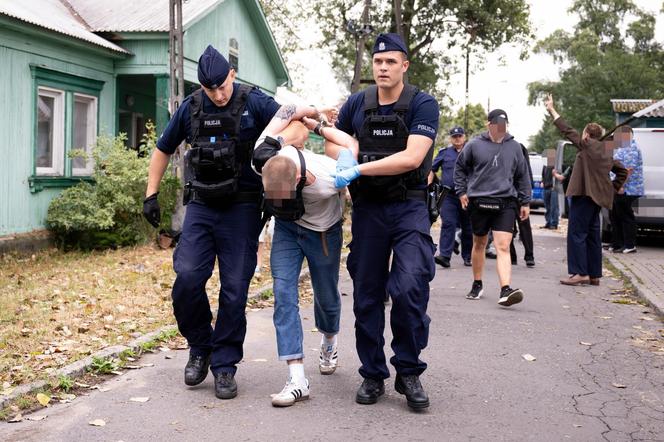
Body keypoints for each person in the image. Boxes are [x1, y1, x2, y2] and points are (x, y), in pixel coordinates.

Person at [142, 45, 321, 400]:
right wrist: (151, 194)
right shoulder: (191, 107)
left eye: (223, 86)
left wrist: (274, 142)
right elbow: (163, 148)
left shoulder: (255, 102)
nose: (219, 95)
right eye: (212, 90)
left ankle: (224, 365)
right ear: (202, 87)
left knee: (235, 290)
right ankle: (199, 347)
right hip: (202, 207)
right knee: (188, 278)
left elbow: (299, 128)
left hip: (241, 208)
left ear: (232, 76)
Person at [328, 33, 440, 410]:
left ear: (404, 66)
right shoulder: (357, 104)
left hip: (408, 206)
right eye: (378, 62)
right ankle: (373, 374)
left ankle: (409, 371)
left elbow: (412, 158)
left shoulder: (422, 104)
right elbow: (335, 139)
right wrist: (345, 152)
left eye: (390, 62)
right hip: (369, 210)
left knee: (409, 288)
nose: (382, 68)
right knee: (367, 295)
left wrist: (357, 166)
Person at [254, 121, 345, 407]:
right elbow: (288, 120)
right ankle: (297, 379)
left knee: (327, 296)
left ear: (298, 182)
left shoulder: (329, 180)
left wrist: (324, 127)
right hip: (287, 230)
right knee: (283, 294)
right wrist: (305, 116)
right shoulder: (263, 160)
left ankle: (329, 341)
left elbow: (350, 151)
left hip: (323, 233)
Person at [544, 94, 628, 286]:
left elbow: (566, 129)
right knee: (592, 236)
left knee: (577, 234)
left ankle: (579, 272)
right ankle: (594, 274)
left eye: (583, 134)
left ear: (587, 135)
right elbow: (622, 171)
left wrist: (552, 109)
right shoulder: (607, 152)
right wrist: (611, 189)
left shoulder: (587, 145)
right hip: (598, 200)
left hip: (583, 196)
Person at [454, 109, 531, 306]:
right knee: (479, 243)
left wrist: (525, 202)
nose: (501, 129)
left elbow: (522, 175)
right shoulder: (474, 145)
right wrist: (462, 192)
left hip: (506, 202)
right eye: (497, 125)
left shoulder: (515, 147)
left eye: (504, 126)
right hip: (479, 201)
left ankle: (506, 290)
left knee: (503, 245)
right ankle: (477, 283)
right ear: (489, 124)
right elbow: (460, 168)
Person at [430, 126, 472, 268]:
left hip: (467, 196)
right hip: (448, 196)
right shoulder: (444, 153)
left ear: (464, 137)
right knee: (448, 224)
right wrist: (433, 184)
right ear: (451, 138)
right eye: (454, 137)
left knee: (468, 226)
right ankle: (445, 256)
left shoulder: (471, 151)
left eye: (459, 136)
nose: (457, 139)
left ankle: (468, 256)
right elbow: (431, 170)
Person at [609, 125, 644, 254]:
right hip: (620, 187)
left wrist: (621, 186)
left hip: (627, 189)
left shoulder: (631, 148)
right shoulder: (623, 148)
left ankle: (630, 245)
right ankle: (617, 244)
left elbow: (628, 170)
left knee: (626, 216)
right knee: (615, 216)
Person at [509, 143, 535, 267]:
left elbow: (526, 170)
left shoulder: (518, 147)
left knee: (524, 225)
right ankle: (511, 256)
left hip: (519, 193)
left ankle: (529, 255)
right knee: (506, 227)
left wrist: (526, 196)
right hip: (505, 193)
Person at [541, 149, 560, 229]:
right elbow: (543, 175)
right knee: (547, 207)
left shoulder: (556, 165)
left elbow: (559, 176)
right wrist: (542, 182)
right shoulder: (545, 165)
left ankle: (553, 224)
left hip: (553, 188)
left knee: (554, 207)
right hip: (546, 188)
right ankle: (548, 222)